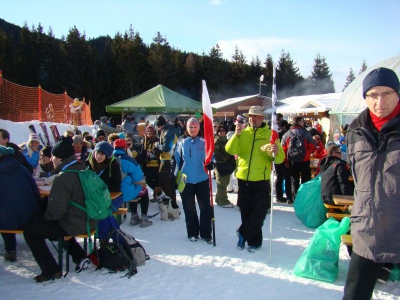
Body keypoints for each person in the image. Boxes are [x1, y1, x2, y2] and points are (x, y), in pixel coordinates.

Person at [343, 67, 400, 299]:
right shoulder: (356, 132)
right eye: (373, 95)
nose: (380, 101)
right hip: (368, 229)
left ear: (397, 94)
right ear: (365, 97)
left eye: (386, 93)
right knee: (355, 295)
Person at [23, 136, 94, 282]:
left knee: (31, 231)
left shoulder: (63, 178)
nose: (52, 159)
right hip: (90, 218)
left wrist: (43, 216)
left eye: (54, 156)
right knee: (53, 227)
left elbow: (55, 213)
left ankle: (51, 271)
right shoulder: (83, 169)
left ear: (60, 158)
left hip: (77, 222)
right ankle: (78, 255)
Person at [226, 106, 284, 252]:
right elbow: (230, 150)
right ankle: (253, 242)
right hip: (243, 178)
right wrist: (236, 135)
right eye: (250, 116)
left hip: (261, 178)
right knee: (246, 211)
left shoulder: (270, 134)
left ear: (262, 118)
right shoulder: (243, 133)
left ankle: (243, 233)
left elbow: (279, 159)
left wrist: (275, 152)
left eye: (255, 116)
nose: (252, 118)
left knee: (261, 211)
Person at [173, 118, 213, 243]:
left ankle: (206, 233)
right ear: (187, 128)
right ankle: (192, 233)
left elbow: (212, 156)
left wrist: (212, 164)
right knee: (189, 207)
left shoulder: (205, 141)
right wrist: (173, 176)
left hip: (202, 178)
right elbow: (176, 160)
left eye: (195, 127)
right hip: (186, 179)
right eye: (191, 127)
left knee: (205, 207)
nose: (193, 129)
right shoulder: (181, 142)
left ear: (199, 128)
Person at [0, 146, 40, 262]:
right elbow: (35, 192)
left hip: (5, 220)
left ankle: (10, 249)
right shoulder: (22, 169)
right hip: (28, 217)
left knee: (5, 212)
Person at [86, 141, 122, 241]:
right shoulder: (86, 164)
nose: (99, 156)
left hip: (110, 197)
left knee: (103, 211)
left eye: (102, 154)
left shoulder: (113, 165)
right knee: (102, 211)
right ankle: (115, 237)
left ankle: (105, 238)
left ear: (107, 155)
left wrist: (99, 187)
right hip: (91, 198)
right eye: (97, 153)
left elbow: (116, 186)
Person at [113, 139, 152, 228]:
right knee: (142, 191)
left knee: (133, 188)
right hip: (125, 193)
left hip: (111, 193)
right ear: (125, 148)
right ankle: (142, 218)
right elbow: (138, 177)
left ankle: (135, 217)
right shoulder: (129, 160)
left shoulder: (108, 159)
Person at [281, 116, 316, 202]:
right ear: (300, 122)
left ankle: (295, 198)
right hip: (304, 160)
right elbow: (313, 146)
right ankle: (304, 198)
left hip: (292, 160)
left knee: (294, 180)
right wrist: (308, 152)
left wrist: (285, 160)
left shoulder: (287, 134)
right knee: (305, 179)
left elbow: (283, 149)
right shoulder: (305, 133)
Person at [154, 115, 180, 209]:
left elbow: (166, 147)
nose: (158, 128)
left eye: (158, 126)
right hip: (169, 159)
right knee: (169, 182)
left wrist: (157, 145)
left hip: (167, 159)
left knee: (164, 182)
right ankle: (173, 203)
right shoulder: (169, 130)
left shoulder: (168, 132)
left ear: (160, 125)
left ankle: (172, 204)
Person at [214, 124, 235, 208]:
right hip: (220, 164)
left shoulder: (227, 140)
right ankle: (223, 200)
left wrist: (232, 160)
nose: (222, 132)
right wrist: (224, 159)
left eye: (223, 130)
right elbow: (216, 152)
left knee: (225, 182)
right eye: (220, 131)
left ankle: (218, 199)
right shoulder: (216, 141)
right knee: (221, 183)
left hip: (227, 164)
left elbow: (231, 150)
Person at [275, 120, 292, 204]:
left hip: (277, 156)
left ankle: (279, 196)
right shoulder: (288, 135)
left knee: (279, 177)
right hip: (284, 157)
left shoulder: (276, 133)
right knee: (287, 177)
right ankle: (289, 197)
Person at [140, 124, 160, 191]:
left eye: (150, 131)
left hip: (156, 164)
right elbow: (142, 152)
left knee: (157, 181)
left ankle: (158, 194)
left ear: (153, 132)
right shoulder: (144, 140)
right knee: (149, 181)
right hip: (147, 164)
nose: (149, 132)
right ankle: (158, 192)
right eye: (147, 131)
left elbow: (159, 151)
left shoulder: (157, 140)